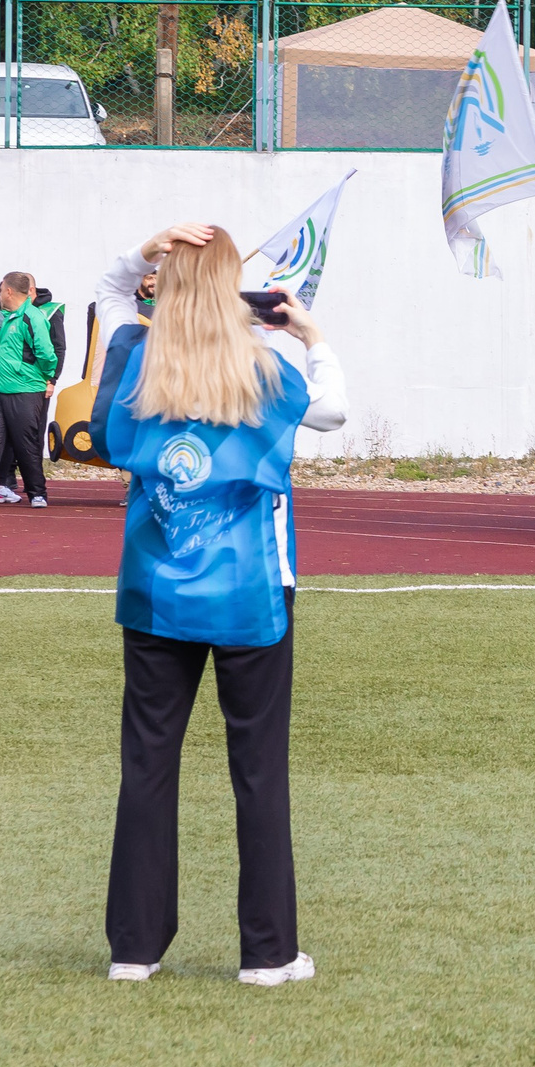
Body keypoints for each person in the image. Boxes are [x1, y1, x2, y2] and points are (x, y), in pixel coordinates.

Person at [95, 221, 346, 987]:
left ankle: (135, 947)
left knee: (147, 766)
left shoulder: (139, 359)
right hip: (252, 592)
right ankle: (267, 952)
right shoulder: (265, 367)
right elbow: (333, 410)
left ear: (163, 285)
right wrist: (310, 332)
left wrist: (143, 250)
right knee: (260, 771)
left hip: (156, 590)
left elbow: (107, 291)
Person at [0, 272, 57, 509]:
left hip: (25, 390)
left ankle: (37, 493)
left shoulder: (32, 317)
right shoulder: (8, 317)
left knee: (25, 444)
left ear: (8, 291)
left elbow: (47, 355)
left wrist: (42, 376)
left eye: (1, 291)